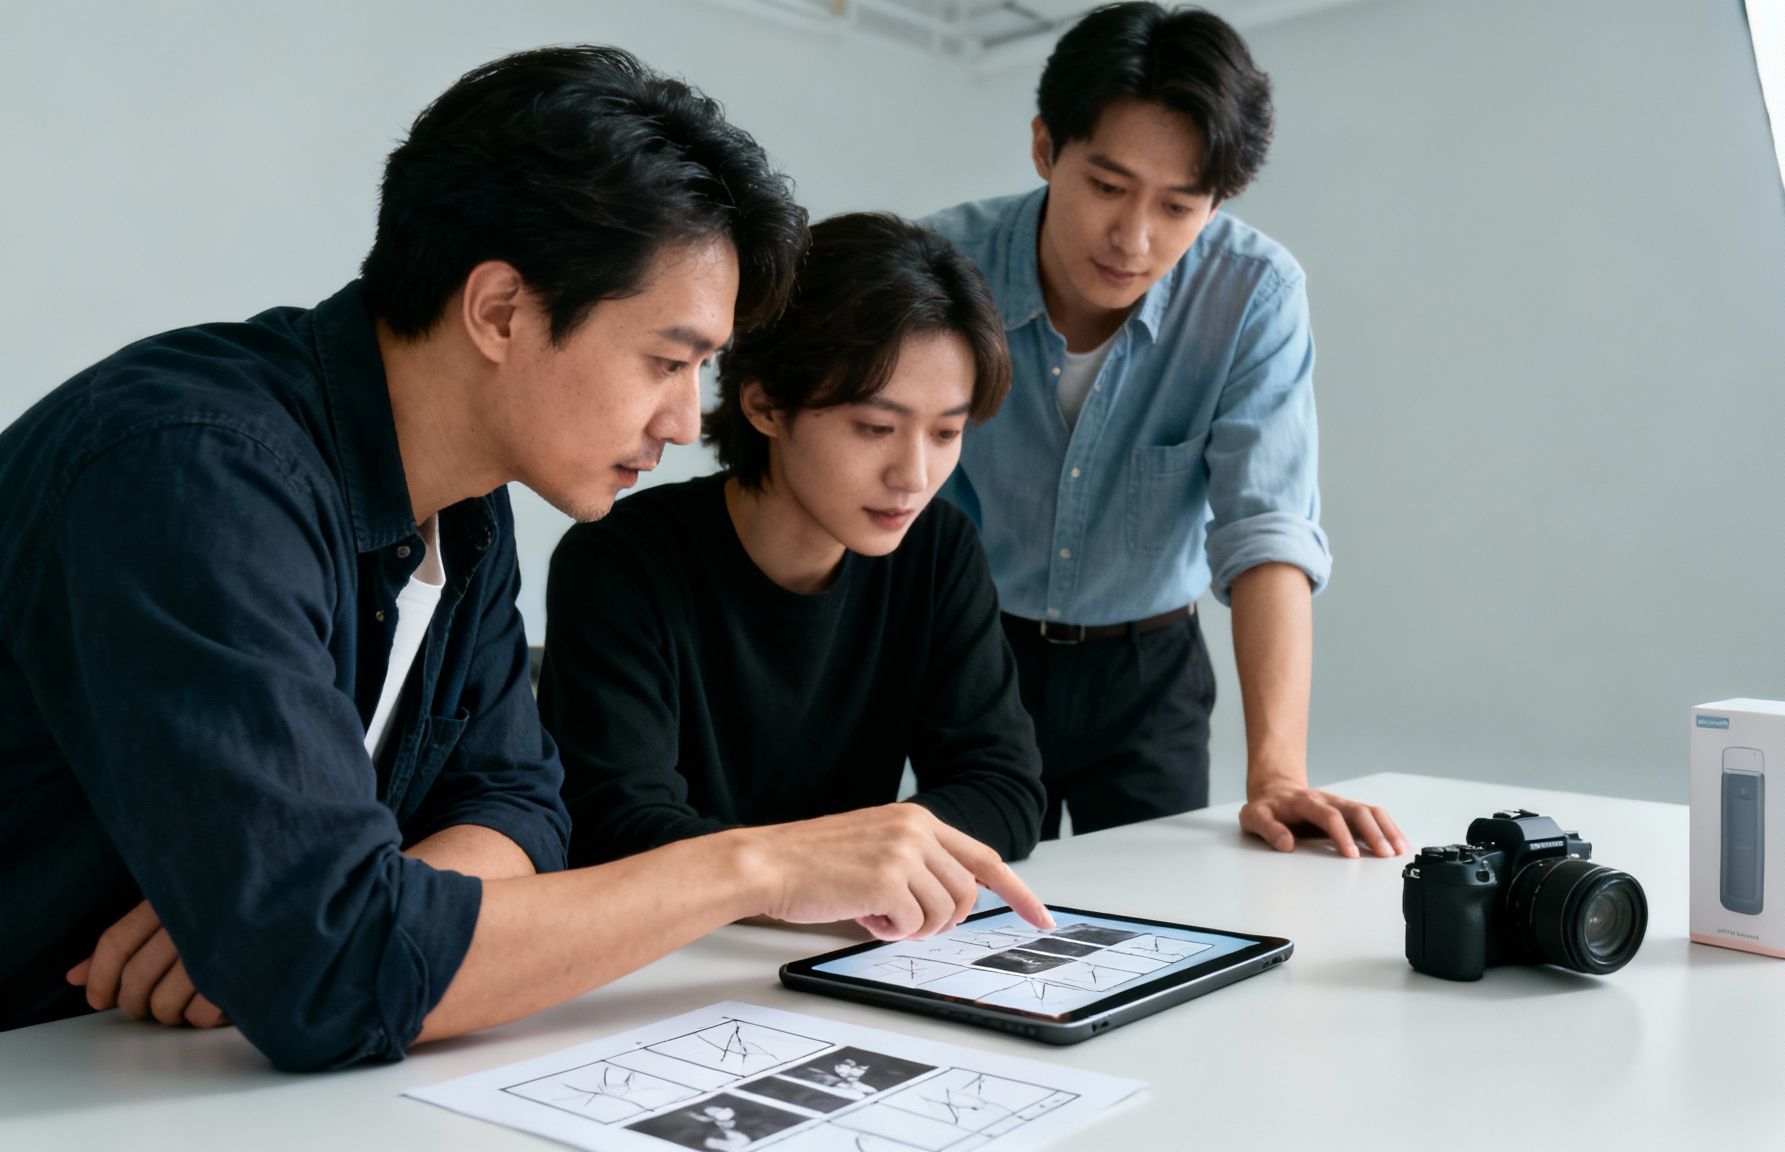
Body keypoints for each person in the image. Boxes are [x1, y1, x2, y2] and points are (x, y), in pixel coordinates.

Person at [0, 45, 1048, 1072]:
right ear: (499, 310)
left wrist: (292, 916)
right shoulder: (195, 473)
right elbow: (330, 976)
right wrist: (755, 866)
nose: (688, 421)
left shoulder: (468, 506)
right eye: (665, 360)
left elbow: (521, 807)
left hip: (143, 1070)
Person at [921, 2, 1410, 858]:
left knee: (1156, 927)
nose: (1133, 239)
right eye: (1107, 187)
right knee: (965, 916)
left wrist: (1279, 777)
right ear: (1046, 148)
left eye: (1180, 207)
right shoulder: (941, 270)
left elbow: (1267, 530)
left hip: (1150, 669)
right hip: (978, 653)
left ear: (1217, 202)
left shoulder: (1253, 295)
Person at [539, 212, 1044, 866]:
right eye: (874, 428)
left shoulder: (936, 551)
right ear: (766, 405)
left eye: (946, 433)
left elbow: (1005, 792)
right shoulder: (620, 560)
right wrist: (834, 865)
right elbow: (618, 824)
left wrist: (850, 866)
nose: (914, 477)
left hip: (847, 937)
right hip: (671, 951)